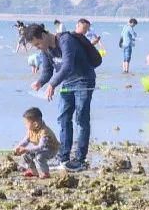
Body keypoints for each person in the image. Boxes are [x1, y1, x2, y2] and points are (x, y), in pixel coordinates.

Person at [27, 23, 98, 172]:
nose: (39, 47)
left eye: (38, 43)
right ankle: (63, 158)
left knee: (81, 119)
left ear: (44, 35)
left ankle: (80, 160)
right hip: (67, 83)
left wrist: (52, 85)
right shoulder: (45, 50)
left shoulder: (66, 40)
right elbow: (47, 71)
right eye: (36, 46)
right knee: (63, 118)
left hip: (84, 80)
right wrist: (40, 82)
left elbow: (67, 66)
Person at [14, 107, 59, 178]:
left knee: (39, 157)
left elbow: (41, 147)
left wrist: (26, 149)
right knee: (26, 155)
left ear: (35, 124)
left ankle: (46, 173)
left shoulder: (44, 132)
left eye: (26, 123)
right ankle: (33, 171)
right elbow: (26, 140)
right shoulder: (31, 130)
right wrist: (19, 147)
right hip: (41, 148)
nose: (25, 125)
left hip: (51, 149)